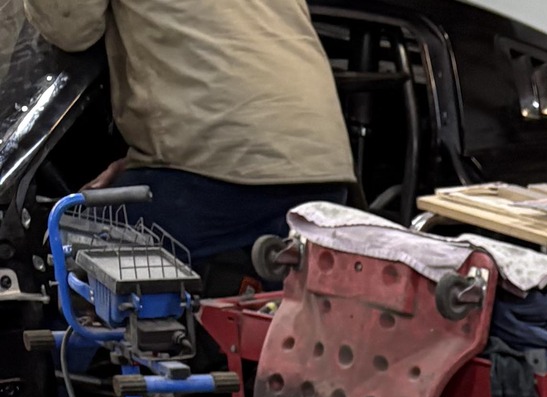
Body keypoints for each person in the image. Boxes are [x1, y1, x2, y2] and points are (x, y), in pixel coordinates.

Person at [22, 0, 353, 267]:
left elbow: (68, 26)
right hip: (321, 166)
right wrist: (144, 161)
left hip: (215, 174)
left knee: (56, 248)